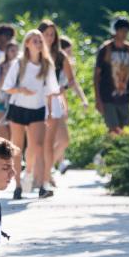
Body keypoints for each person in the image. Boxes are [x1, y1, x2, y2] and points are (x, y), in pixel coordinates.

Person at [2, 29, 58, 199]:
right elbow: (7, 87)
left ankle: (41, 185)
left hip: (38, 108)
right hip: (18, 107)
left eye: (40, 41)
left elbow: (50, 91)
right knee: (17, 147)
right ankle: (18, 185)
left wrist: (49, 111)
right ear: (26, 44)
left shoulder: (47, 64)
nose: (39, 44)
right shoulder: (19, 63)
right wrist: (21, 90)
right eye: (35, 41)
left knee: (38, 146)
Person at [40, 22, 88, 182]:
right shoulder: (35, 54)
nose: (49, 37)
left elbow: (71, 80)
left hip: (55, 101)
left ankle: (46, 172)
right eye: (46, 34)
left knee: (63, 140)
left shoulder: (60, 56)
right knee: (40, 142)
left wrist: (65, 89)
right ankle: (41, 176)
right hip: (37, 102)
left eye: (52, 34)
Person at [94, 17, 129, 136]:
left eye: (126, 31)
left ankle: (115, 151)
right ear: (116, 31)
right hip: (108, 96)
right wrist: (98, 99)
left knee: (124, 127)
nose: (124, 33)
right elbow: (96, 76)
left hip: (125, 96)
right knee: (113, 129)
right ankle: (111, 151)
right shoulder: (106, 49)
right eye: (122, 30)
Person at [0, 42, 20, 141]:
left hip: (15, 104)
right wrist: (4, 73)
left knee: (14, 136)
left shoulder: (22, 67)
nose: (14, 53)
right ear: (6, 52)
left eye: (16, 51)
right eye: (12, 51)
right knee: (2, 135)